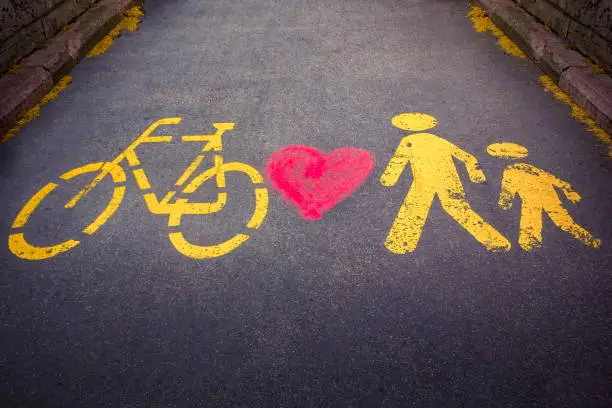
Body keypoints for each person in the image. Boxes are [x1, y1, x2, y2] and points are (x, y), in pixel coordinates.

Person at [380, 113, 511, 253]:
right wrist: (476, 175)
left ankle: (399, 242)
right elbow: (467, 158)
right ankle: (495, 240)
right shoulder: (439, 140)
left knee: (416, 205)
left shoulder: (409, 140)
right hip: (449, 179)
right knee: (457, 208)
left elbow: (398, 160)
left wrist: (389, 179)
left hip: (425, 179)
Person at [487, 142, 601, 250]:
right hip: (548, 196)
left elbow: (508, 189)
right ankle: (583, 236)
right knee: (555, 218)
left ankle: (529, 239)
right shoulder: (531, 168)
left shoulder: (510, 170)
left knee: (533, 216)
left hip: (534, 197)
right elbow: (555, 180)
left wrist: (505, 202)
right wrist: (568, 191)